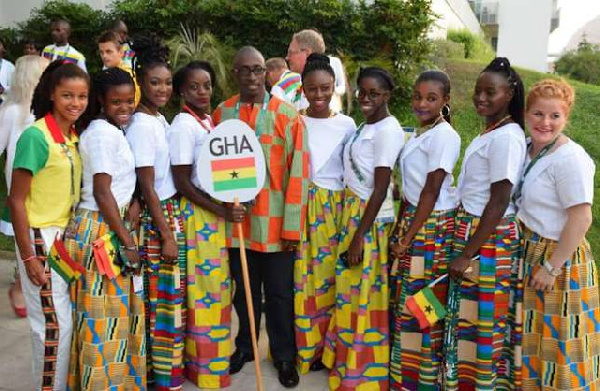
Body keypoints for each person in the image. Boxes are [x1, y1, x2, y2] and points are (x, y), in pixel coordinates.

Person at [212, 46, 309, 389]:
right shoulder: (221, 114)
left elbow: (298, 173)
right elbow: (213, 170)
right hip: (237, 225)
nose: (252, 77)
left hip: (278, 225)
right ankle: (246, 347)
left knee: (281, 295)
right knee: (244, 293)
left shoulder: (287, 114)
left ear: (266, 73)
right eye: (244, 71)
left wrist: (292, 227)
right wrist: (223, 206)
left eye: (257, 70)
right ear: (234, 73)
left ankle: (284, 355)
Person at [444, 57, 526, 390]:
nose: (480, 97)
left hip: (488, 242)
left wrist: (467, 253)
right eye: (478, 90)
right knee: (468, 317)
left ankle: (483, 384)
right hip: (476, 232)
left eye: (490, 92)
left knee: (484, 322)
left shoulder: (507, 137)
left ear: (509, 94)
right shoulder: (492, 130)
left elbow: (499, 200)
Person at [323, 67, 405, 390]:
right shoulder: (365, 126)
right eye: (362, 91)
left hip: (367, 221)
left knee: (363, 296)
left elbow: (382, 187)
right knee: (348, 293)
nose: (366, 98)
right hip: (353, 213)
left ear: (386, 96)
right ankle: (345, 360)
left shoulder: (387, 129)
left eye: (374, 93)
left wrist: (359, 237)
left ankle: (361, 372)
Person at [8, 61, 88, 391]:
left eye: (82, 96)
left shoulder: (71, 136)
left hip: (63, 238)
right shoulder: (36, 137)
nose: (76, 103)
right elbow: (15, 200)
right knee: (54, 325)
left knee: (62, 322)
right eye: (67, 95)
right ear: (51, 94)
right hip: (40, 238)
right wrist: (28, 258)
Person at [64, 67, 145, 390]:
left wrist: (134, 203)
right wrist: (126, 242)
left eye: (129, 102)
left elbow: (120, 181)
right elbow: (101, 191)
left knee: (117, 320)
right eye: (116, 102)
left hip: (112, 225)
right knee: (103, 324)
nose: (124, 109)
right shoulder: (100, 133)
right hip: (102, 233)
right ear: (101, 100)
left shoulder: (112, 130)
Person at [517, 79, 600, 390]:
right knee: (531, 342)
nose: (545, 123)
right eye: (538, 114)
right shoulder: (526, 148)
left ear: (566, 118)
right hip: (530, 252)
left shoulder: (570, 159)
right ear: (526, 114)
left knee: (560, 344)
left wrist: (552, 266)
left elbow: (581, 217)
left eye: (555, 116)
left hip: (559, 261)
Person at [169, 60, 245, 389]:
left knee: (218, 291)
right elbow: (183, 182)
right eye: (195, 87)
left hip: (213, 214)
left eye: (207, 85)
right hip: (199, 215)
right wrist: (219, 210)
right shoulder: (184, 125)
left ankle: (214, 361)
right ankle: (204, 369)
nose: (203, 92)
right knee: (205, 293)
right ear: (182, 91)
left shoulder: (205, 122)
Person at [388, 70, 460, 390]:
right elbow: (412, 190)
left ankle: (426, 378)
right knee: (409, 301)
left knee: (425, 303)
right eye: (418, 96)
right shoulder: (421, 133)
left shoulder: (445, 135)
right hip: (416, 222)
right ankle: (407, 375)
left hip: (432, 227)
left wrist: (407, 237)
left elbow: (431, 190)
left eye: (431, 98)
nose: (422, 103)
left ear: (445, 101)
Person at [126, 35, 185, 390]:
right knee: (158, 304)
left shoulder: (159, 118)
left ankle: (165, 373)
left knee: (168, 305)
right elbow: (146, 185)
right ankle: (155, 377)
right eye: (154, 82)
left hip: (167, 215)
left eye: (166, 82)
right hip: (156, 222)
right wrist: (165, 234)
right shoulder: (142, 125)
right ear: (140, 84)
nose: (162, 88)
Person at [293, 53, 356, 375]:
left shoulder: (347, 125)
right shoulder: (294, 120)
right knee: (301, 281)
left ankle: (326, 350)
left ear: (335, 87)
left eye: (325, 88)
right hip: (299, 207)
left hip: (333, 211)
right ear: (302, 88)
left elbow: (351, 172)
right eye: (312, 89)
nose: (319, 96)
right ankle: (304, 349)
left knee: (329, 280)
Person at [0, 55, 49, 318]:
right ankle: (23, 290)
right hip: (22, 190)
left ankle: (26, 287)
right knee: (27, 243)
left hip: (48, 190)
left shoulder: (46, 110)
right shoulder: (12, 112)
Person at [97, 30, 140, 105]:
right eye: (101, 52)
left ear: (121, 52)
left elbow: (132, 105)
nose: (104, 56)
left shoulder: (128, 75)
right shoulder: (106, 72)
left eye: (108, 51)